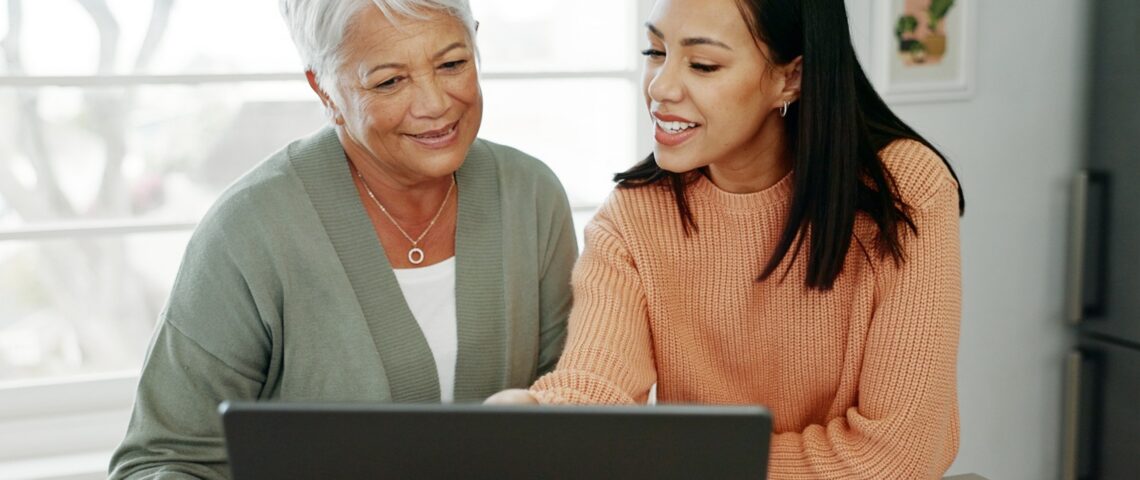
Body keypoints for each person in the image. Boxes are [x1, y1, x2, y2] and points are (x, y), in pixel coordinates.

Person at [486, 0, 965, 478]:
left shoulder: (904, 192)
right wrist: (537, 411)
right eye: (655, 51)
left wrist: (676, 459)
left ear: (791, 77)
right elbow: (596, 388)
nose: (660, 86)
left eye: (702, 64)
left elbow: (899, 454)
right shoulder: (634, 215)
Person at [109, 0, 577, 477]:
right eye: (390, 81)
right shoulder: (249, 230)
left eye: (452, 63)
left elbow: (574, 403)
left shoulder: (532, 197)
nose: (435, 103)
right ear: (324, 88)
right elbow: (160, 459)